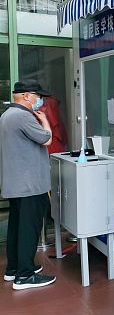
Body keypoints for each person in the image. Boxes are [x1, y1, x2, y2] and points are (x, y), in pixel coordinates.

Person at [0, 81, 56, 290]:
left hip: (16, 184)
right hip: (29, 185)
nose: (39, 100)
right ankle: (24, 276)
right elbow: (46, 139)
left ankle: (14, 268)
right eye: (38, 96)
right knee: (29, 229)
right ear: (26, 96)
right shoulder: (23, 116)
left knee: (17, 227)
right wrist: (44, 120)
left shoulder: (7, 115)